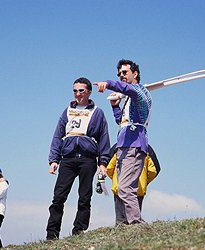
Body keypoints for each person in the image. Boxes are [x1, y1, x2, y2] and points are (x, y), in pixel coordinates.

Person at [46, 77, 110, 240]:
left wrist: (103, 163)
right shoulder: (67, 111)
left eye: (81, 90)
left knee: (84, 197)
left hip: (88, 158)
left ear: (89, 92)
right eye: (75, 90)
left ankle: (79, 232)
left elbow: (104, 138)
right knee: (58, 197)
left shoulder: (97, 112)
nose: (77, 93)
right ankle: (52, 234)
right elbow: (57, 136)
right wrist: (54, 160)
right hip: (68, 158)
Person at [94, 59, 152, 224]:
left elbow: (125, 88)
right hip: (124, 144)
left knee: (125, 188)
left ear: (135, 74)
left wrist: (108, 83)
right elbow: (122, 122)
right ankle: (129, 223)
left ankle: (136, 223)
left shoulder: (139, 92)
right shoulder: (129, 99)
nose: (121, 76)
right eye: (119, 74)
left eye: (124, 72)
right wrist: (114, 106)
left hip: (134, 144)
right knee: (124, 188)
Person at [106, 144, 160, 225]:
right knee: (134, 218)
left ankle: (121, 230)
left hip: (119, 188)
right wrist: (145, 181)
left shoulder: (118, 146)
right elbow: (154, 170)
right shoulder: (146, 148)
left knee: (121, 223)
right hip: (138, 188)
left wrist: (115, 179)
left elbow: (108, 167)